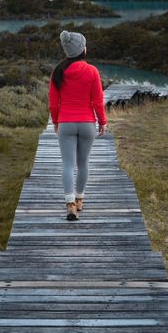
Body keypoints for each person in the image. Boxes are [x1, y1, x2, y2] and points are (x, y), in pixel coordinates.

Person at [48, 30, 107, 221]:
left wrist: (56, 122)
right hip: (87, 123)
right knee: (83, 163)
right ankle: (80, 199)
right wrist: (102, 122)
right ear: (83, 49)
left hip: (66, 123)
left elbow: (52, 103)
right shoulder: (92, 71)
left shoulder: (57, 72)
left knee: (67, 165)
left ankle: (70, 204)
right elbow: (98, 101)